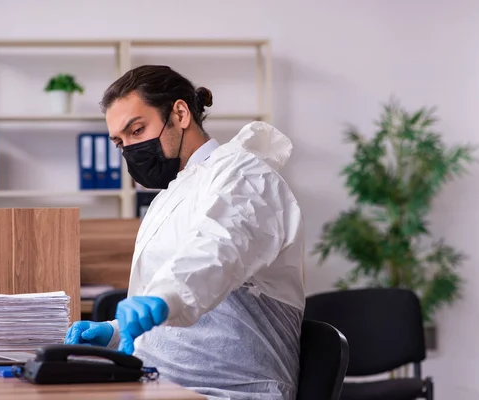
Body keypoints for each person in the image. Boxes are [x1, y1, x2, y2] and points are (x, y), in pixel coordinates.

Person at [65, 65, 305, 400]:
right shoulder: (169, 196)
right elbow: (182, 323)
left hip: (227, 391)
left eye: (137, 130)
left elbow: (216, 253)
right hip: (159, 385)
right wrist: (114, 333)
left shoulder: (245, 175)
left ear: (180, 113)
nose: (130, 150)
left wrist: (161, 298)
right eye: (120, 142)